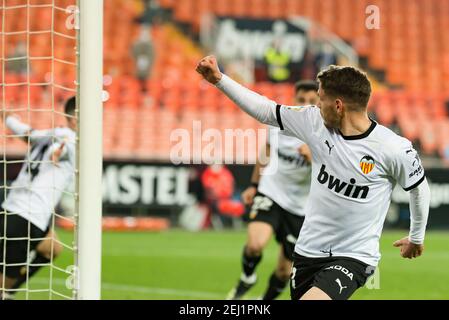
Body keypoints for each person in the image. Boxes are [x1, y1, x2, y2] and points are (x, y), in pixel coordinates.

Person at [196, 56, 430, 300]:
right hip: (308, 251)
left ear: (338, 105)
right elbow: (266, 110)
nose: (317, 105)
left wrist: (416, 236)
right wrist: (219, 80)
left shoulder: (393, 147)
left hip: (354, 256)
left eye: (321, 99)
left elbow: (419, 188)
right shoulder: (313, 123)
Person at [227, 81, 318, 300]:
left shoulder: (324, 134)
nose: (305, 106)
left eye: (312, 102)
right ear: (294, 99)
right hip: (272, 193)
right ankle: (248, 276)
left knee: (284, 271)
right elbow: (266, 151)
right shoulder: (279, 123)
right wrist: (254, 185)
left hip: (301, 208)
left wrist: (314, 158)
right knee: (255, 244)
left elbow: (333, 175)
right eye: (301, 100)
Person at [0, 96, 77, 299]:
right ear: (76, 117)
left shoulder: (47, 134)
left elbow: (26, 133)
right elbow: (61, 148)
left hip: (10, 209)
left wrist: (8, 118)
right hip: (28, 219)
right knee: (1, 288)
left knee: (52, 248)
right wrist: (57, 153)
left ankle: (9, 291)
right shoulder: (72, 141)